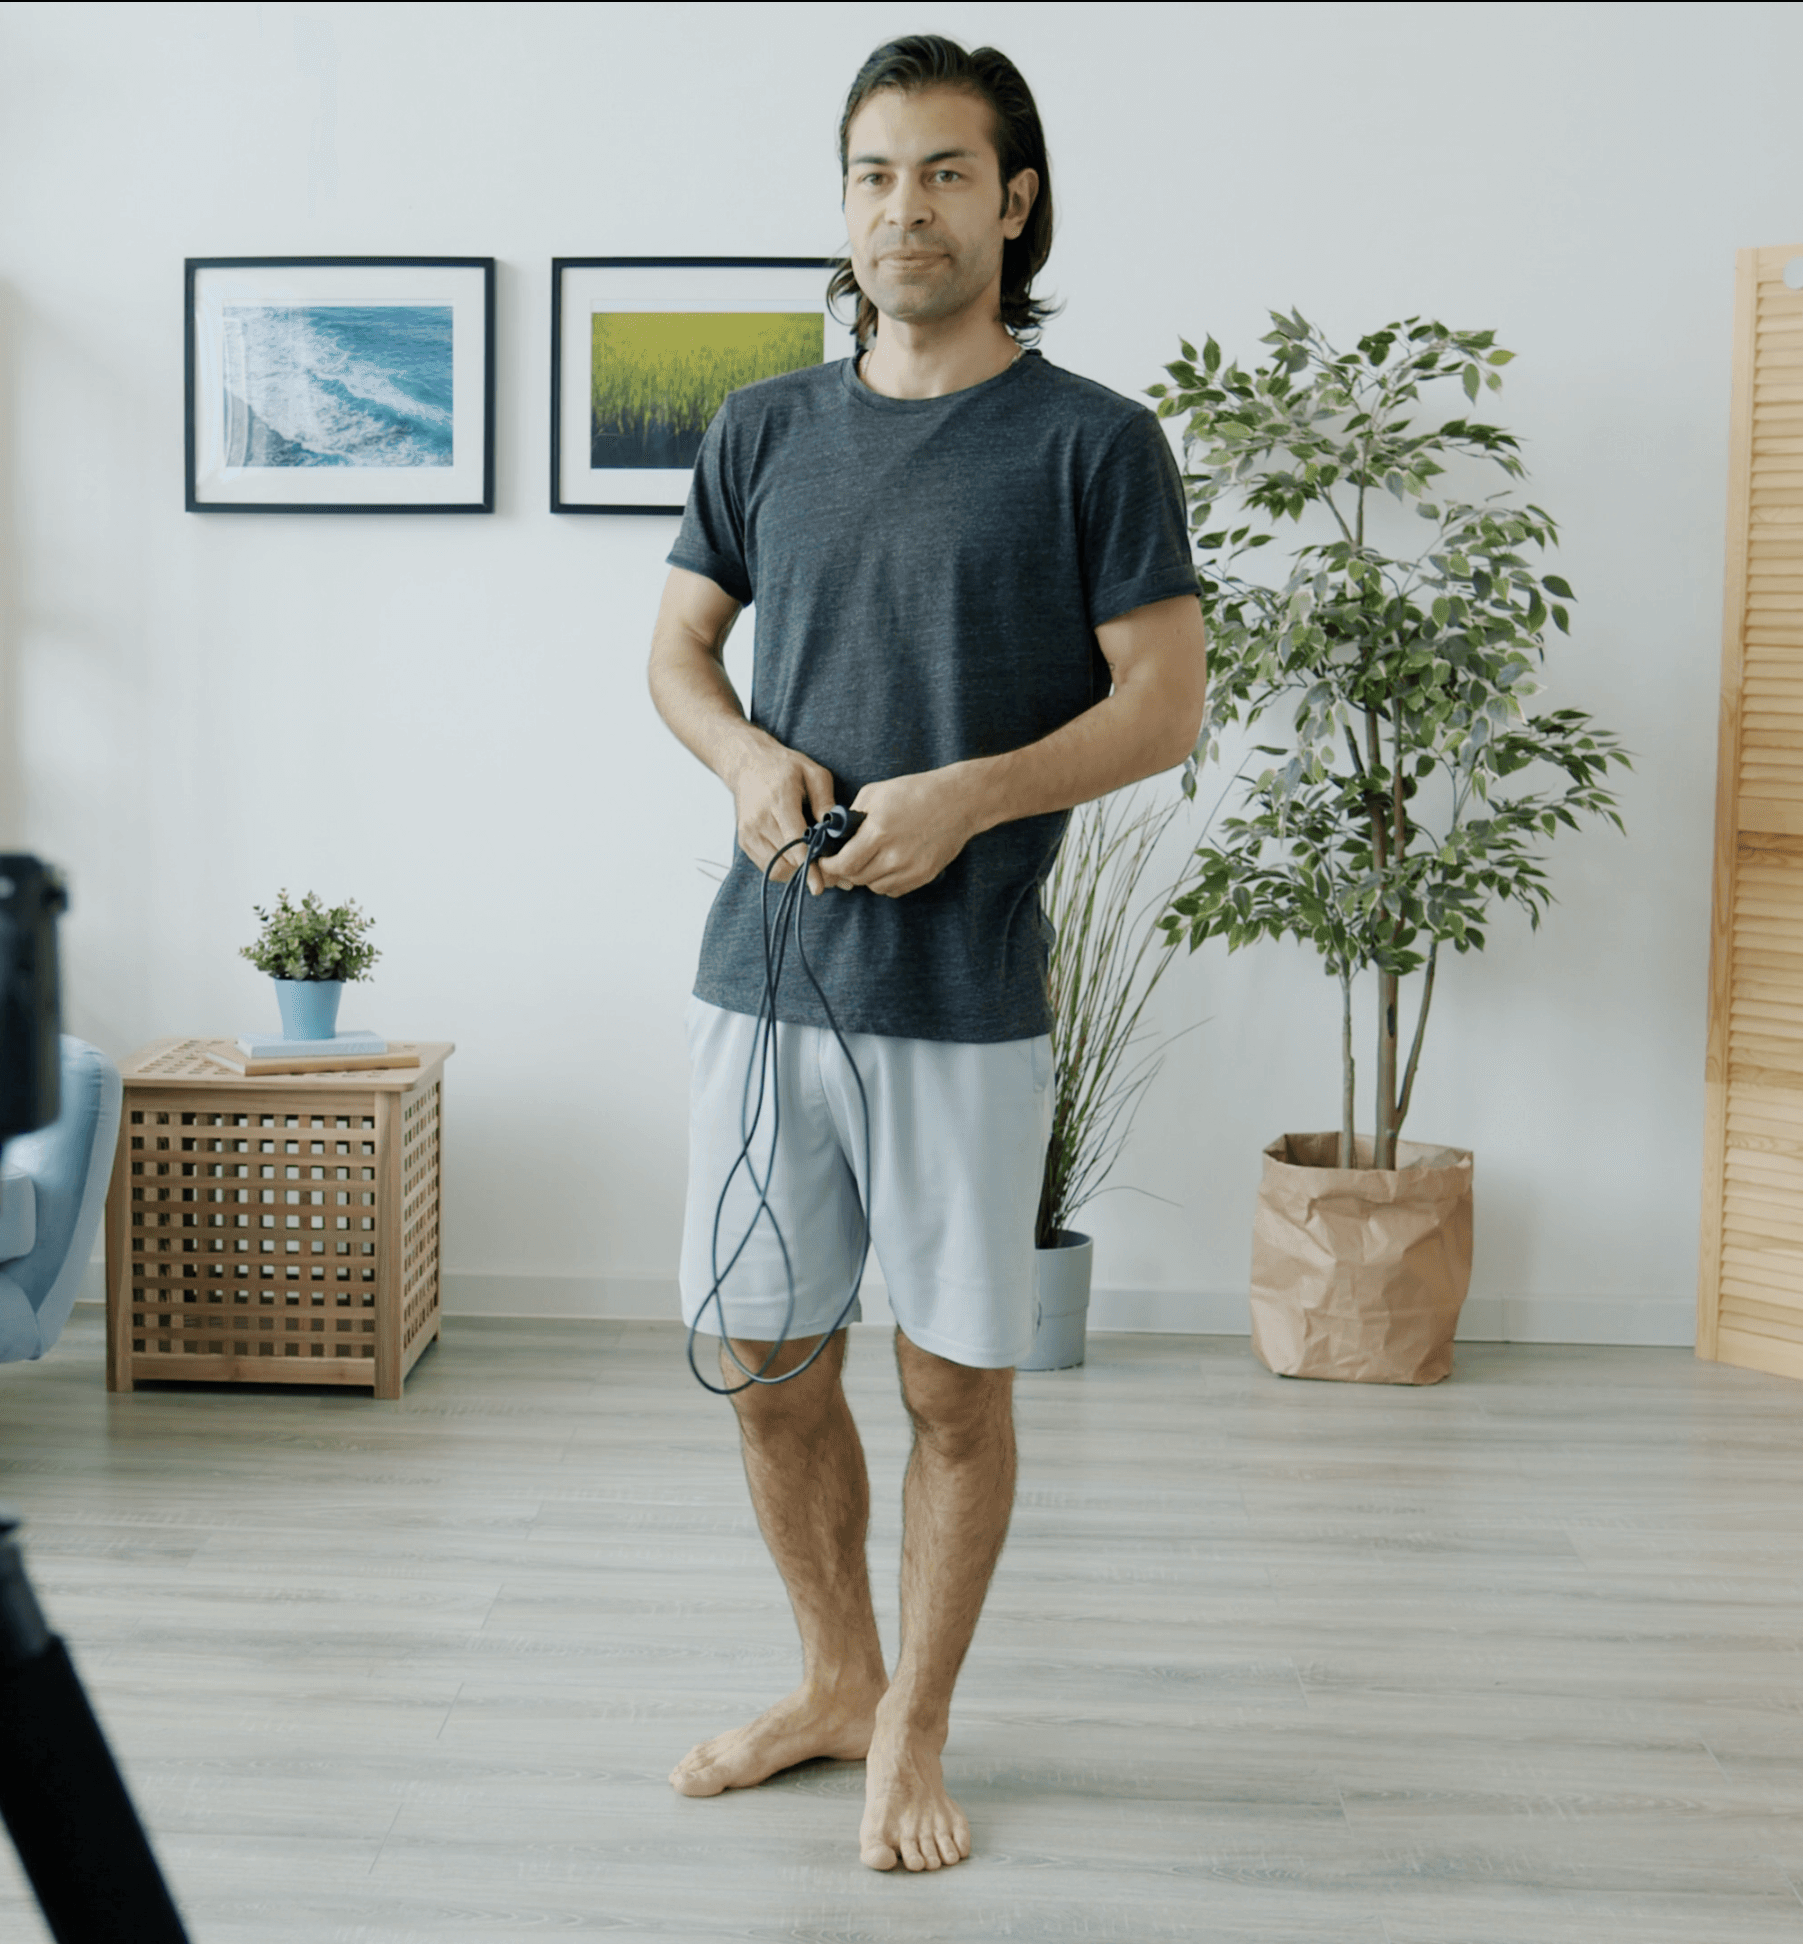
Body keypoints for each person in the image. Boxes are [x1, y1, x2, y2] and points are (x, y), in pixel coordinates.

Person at [643, 32, 1208, 1875]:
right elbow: (677, 657)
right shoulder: (762, 429)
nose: (907, 208)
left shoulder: (1094, 441)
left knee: (953, 1387)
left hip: (963, 1000)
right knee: (765, 1357)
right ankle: (833, 1678)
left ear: (1015, 202)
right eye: (875, 175)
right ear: (846, 205)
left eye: (948, 173)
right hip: (766, 973)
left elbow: (1164, 708)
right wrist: (746, 761)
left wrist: (972, 793)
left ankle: (916, 1723)